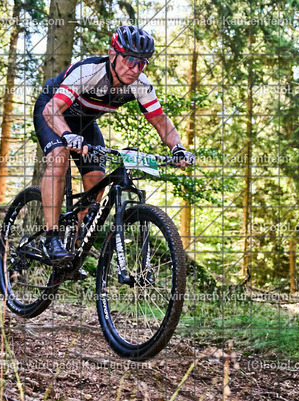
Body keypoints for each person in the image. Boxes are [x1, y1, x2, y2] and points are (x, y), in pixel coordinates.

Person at [34, 25, 195, 270]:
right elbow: (52, 110)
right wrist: (66, 135)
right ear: (112, 55)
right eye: (129, 60)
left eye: (142, 63)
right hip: (52, 111)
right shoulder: (88, 72)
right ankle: (51, 237)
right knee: (59, 158)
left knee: (97, 181)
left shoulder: (140, 84)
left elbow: (161, 121)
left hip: (85, 123)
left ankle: (71, 246)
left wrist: (178, 149)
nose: (135, 68)